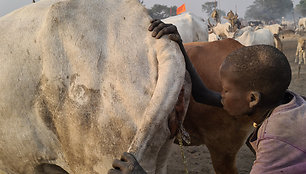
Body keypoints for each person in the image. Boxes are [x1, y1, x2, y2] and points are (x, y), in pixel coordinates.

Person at [108, 20, 306, 174]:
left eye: (226, 90)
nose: (221, 95)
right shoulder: (284, 103)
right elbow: (202, 94)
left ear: (252, 99)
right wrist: (179, 47)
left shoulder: (277, 142)